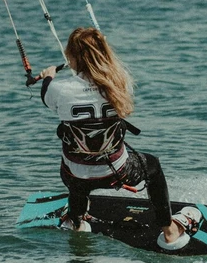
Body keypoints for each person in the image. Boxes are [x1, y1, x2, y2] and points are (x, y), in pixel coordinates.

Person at [39, 27, 198, 250]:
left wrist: (47, 77)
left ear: (72, 56)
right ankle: (169, 231)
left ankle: (76, 221)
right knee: (152, 165)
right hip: (117, 171)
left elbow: (46, 96)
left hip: (76, 176)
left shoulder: (58, 89)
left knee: (73, 165)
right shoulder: (120, 83)